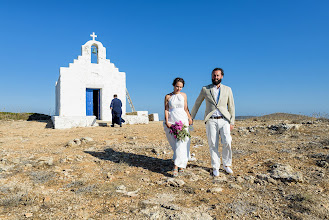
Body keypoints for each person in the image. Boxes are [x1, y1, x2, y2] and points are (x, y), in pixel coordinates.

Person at [191, 68, 235, 176]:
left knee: (227, 142)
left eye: (218, 75)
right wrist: (191, 117)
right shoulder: (205, 89)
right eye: (214, 75)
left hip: (224, 120)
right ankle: (215, 166)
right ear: (211, 76)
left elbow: (232, 106)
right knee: (213, 144)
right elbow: (197, 103)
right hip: (211, 120)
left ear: (222, 76)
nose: (216, 77)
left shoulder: (228, 89)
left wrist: (232, 122)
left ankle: (226, 165)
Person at [164, 77, 193, 177]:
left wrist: (189, 118)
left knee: (181, 142)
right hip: (172, 120)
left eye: (181, 87)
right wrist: (167, 121)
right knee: (175, 143)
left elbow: (185, 108)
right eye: (177, 86)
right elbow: (166, 109)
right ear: (173, 85)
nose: (178, 89)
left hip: (183, 120)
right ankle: (181, 164)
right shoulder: (168, 96)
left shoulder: (184, 95)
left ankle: (176, 166)